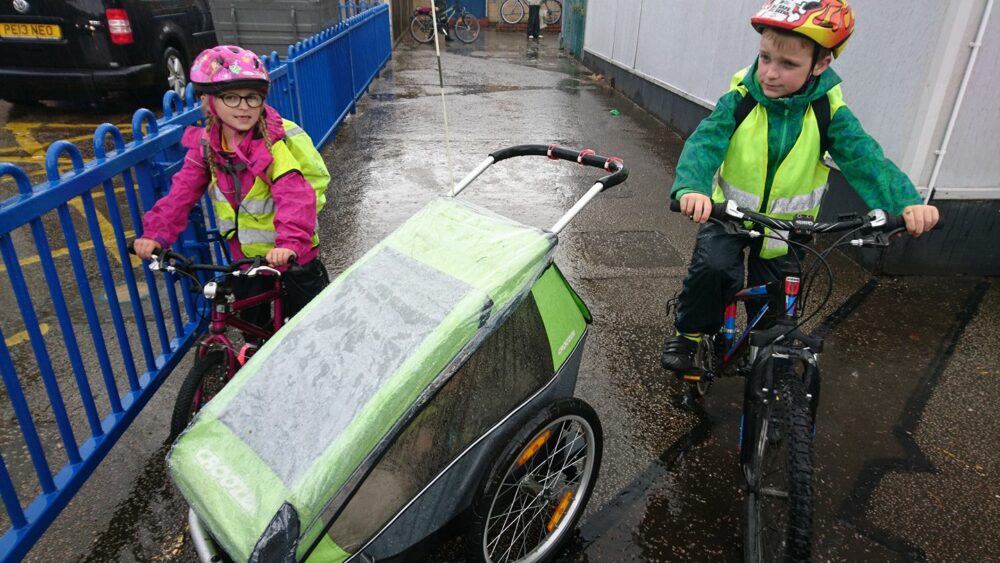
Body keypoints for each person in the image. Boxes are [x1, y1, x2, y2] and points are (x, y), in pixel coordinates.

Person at [661, 0, 940, 373]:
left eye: (788, 64)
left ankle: (767, 357)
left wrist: (906, 201)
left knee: (777, 308)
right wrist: (692, 187)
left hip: (786, 231)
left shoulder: (827, 112)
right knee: (712, 270)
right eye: (765, 58)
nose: (770, 74)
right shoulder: (741, 101)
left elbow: (865, 159)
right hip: (730, 216)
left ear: (820, 65)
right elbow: (705, 142)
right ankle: (690, 335)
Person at [133, 45, 331, 324]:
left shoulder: (270, 145)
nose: (244, 107)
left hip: (290, 251)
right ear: (209, 101)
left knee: (313, 324)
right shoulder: (208, 147)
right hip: (245, 257)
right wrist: (155, 234)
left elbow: (294, 194)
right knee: (252, 326)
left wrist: (289, 243)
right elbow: (182, 192)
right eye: (231, 98)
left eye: (252, 98)